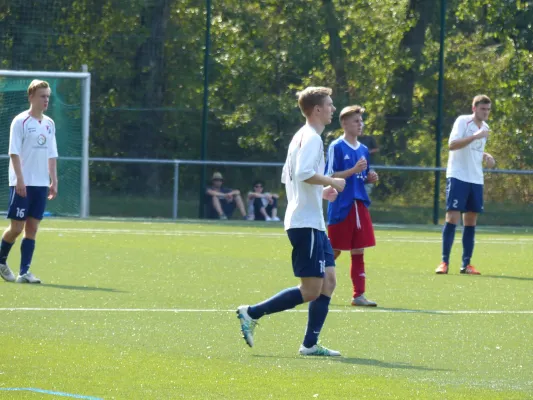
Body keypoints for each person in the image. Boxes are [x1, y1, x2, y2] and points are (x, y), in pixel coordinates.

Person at [236, 87, 346, 356]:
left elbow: (292, 180)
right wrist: (332, 181)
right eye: (329, 105)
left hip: (314, 223)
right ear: (317, 109)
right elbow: (303, 172)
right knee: (311, 290)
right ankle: (252, 312)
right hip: (304, 224)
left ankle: (310, 344)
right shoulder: (310, 138)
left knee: (328, 282)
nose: (333, 109)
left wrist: (321, 192)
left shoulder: (301, 137)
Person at [0, 80, 58, 284]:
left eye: (48, 96)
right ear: (31, 97)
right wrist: (20, 180)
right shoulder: (20, 121)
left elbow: (52, 155)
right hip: (22, 183)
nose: (46, 100)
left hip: (41, 184)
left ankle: (24, 272)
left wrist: (54, 181)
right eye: (42, 96)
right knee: (16, 228)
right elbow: (14, 153)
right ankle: (1, 260)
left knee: (32, 228)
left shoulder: (49, 124)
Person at [436, 95, 496, 275]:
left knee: (470, 220)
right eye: (482, 109)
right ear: (474, 108)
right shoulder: (463, 122)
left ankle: (466, 264)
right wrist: (475, 136)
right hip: (458, 176)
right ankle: (444, 262)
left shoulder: (485, 128)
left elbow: (474, 148)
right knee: (452, 217)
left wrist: (486, 155)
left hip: (476, 179)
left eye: (488, 109)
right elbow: (452, 144)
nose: (485, 112)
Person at [325, 105, 379, 307]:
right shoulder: (336, 146)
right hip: (341, 205)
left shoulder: (364, 149)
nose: (360, 124)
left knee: (359, 250)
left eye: (361, 121)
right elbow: (330, 175)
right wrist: (354, 169)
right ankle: (315, 281)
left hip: (359, 204)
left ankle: (359, 295)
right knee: (335, 249)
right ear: (344, 124)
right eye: (356, 121)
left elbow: (362, 176)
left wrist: (370, 177)